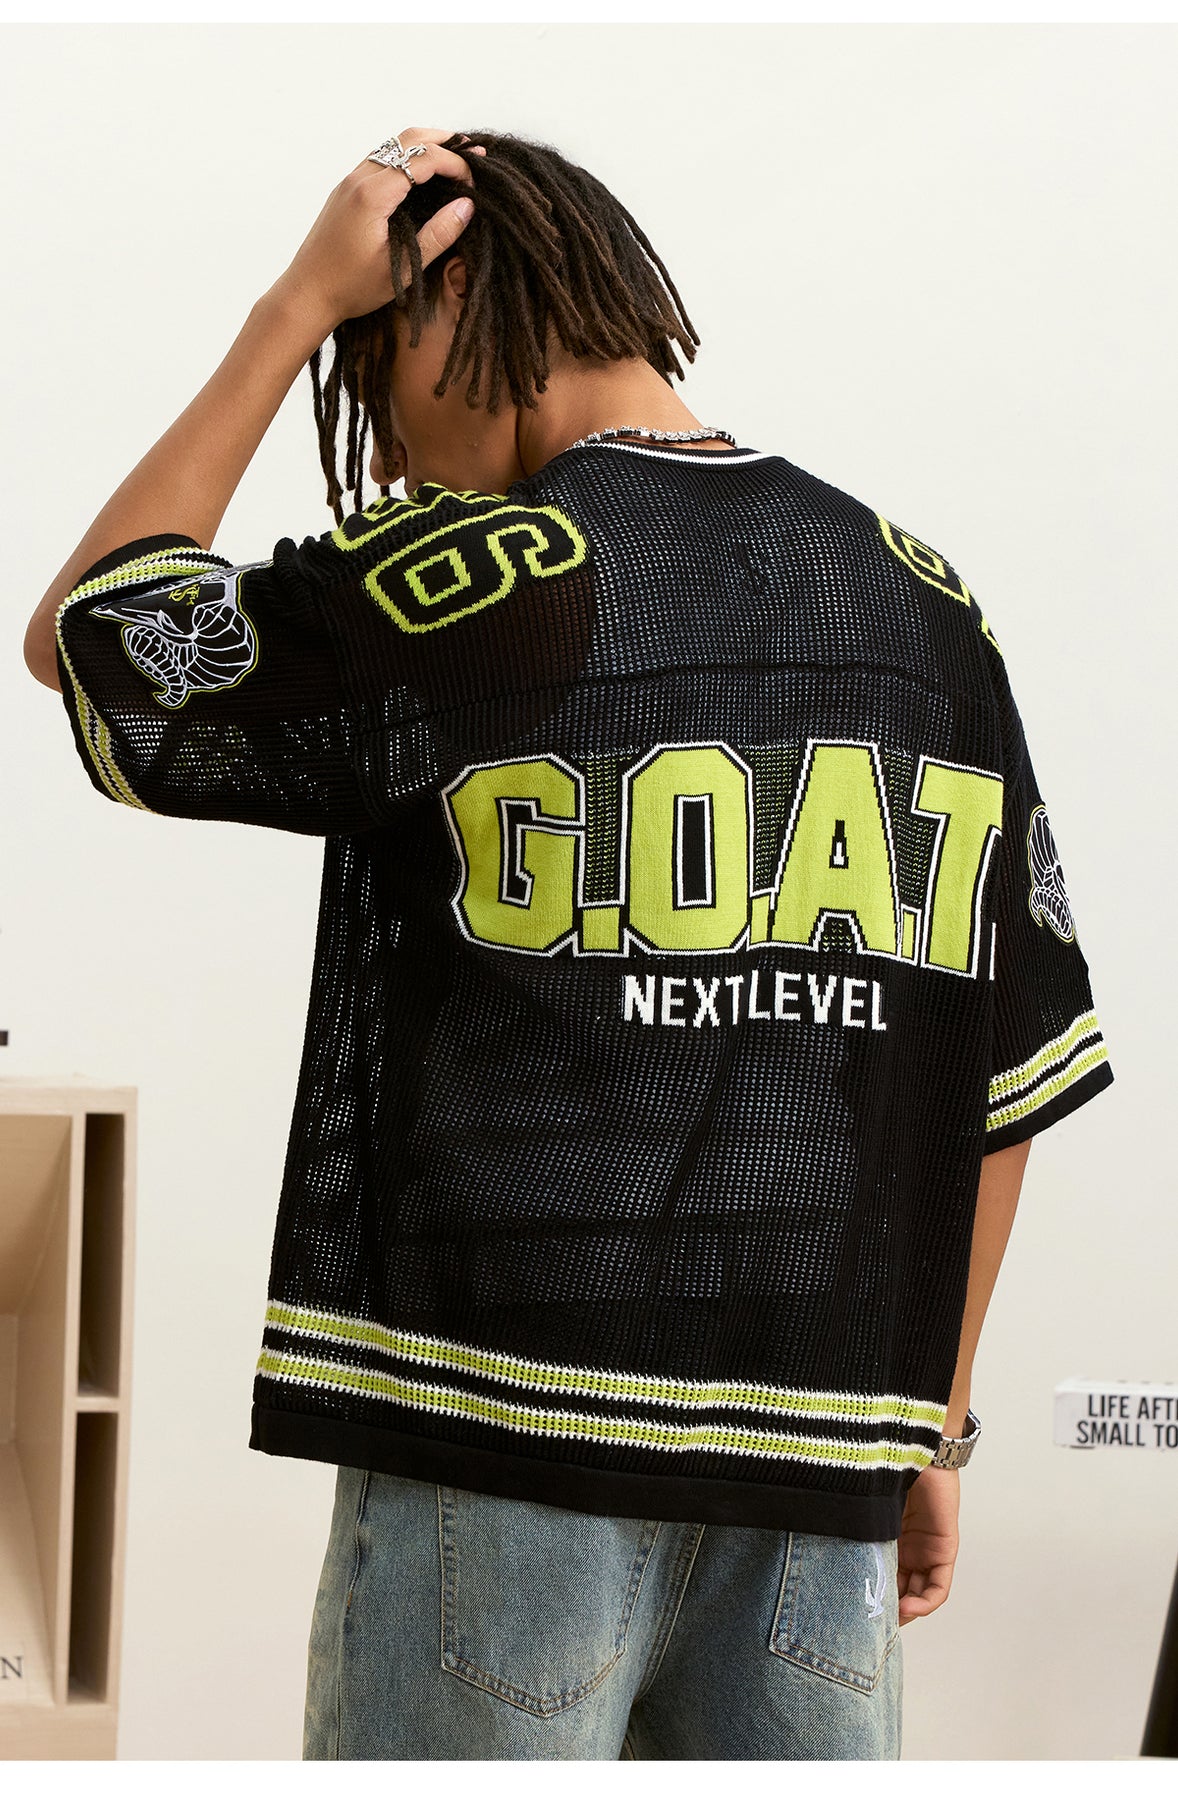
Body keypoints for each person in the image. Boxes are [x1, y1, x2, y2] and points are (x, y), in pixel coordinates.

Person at [25, 126, 1114, 1762]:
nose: (392, 460)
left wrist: (285, 310)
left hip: (499, 1459)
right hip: (814, 1476)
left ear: (442, 303)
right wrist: (928, 1426)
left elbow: (98, 639)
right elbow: (1000, 1071)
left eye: (368, 377)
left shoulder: (480, 587)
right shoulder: (914, 603)